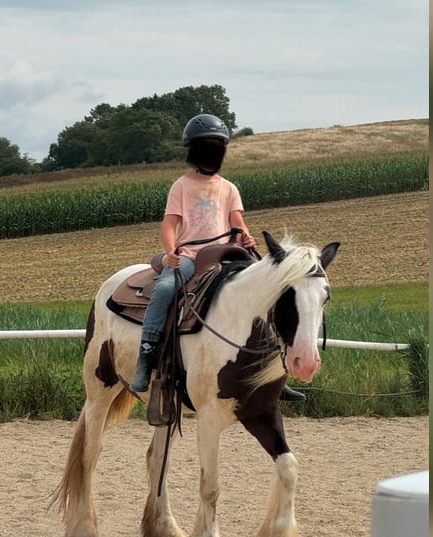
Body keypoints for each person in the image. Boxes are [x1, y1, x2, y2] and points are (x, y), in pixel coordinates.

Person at [129, 113, 306, 401]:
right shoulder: (181, 186)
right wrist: (172, 250)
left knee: (268, 290)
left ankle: (274, 367)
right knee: (163, 289)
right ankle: (146, 358)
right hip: (190, 253)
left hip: (225, 253)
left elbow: (237, 223)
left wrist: (244, 237)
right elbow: (169, 224)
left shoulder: (229, 188)